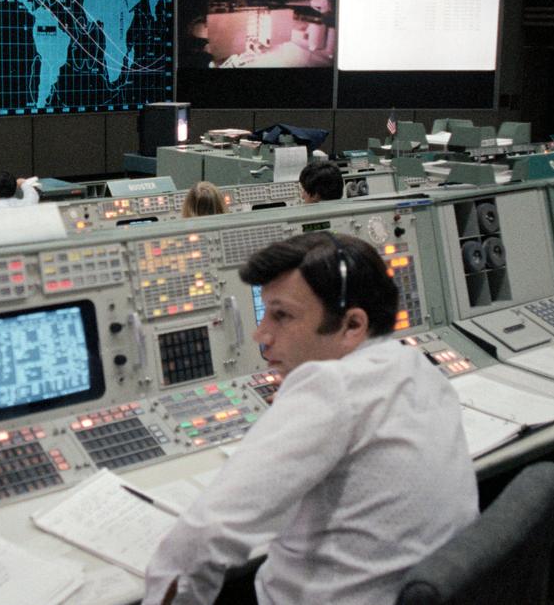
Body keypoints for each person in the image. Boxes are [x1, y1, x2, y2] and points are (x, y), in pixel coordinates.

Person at [143, 232, 478, 605]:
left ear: (352, 326)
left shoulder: (332, 386)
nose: (260, 335)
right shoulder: (414, 365)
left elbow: (204, 536)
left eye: (281, 315)